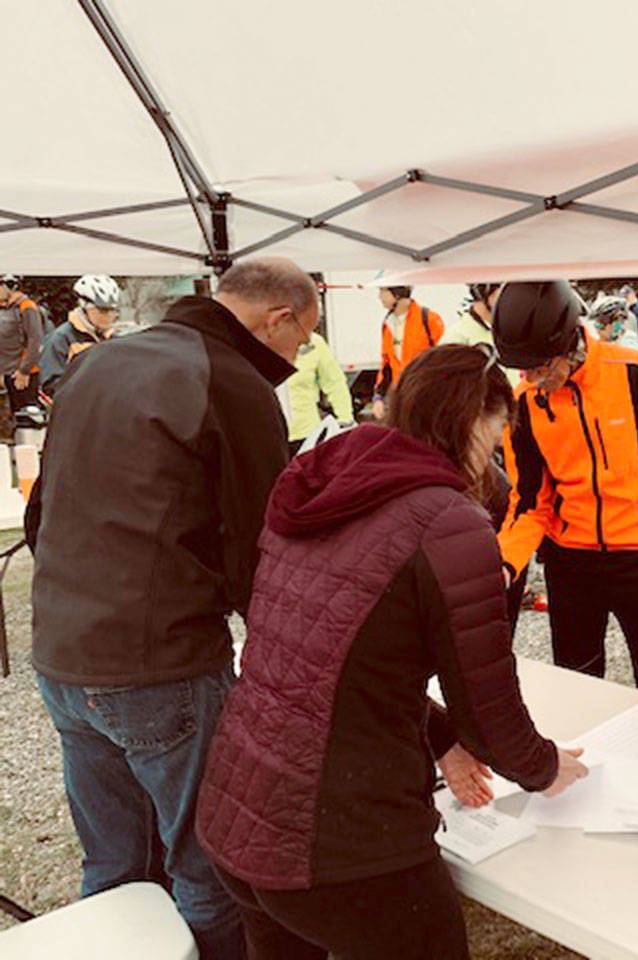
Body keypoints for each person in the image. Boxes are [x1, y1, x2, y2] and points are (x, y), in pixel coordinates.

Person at [196, 344, 587, 960]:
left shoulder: (329, 485)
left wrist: (441, 739)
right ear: (475, 419)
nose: (496, 450)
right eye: (497, 430)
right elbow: (487, 708)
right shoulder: (449, 521)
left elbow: (333, 667)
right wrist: (543, 767)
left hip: (239, 810)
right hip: (338, 840)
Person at [27, 257, 319, 960]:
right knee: (207, 869)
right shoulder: (233, 384)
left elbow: (39, 518)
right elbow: (260, 554)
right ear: (278, 318)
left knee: (114, 868)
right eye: (303, 339)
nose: (299, 354)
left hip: (62, 655)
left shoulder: (97, 363)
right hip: (160, 664)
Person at [494, 280, 638, 693]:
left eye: (540, 367)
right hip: (570, 564)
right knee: (576, 684)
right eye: (522, 370)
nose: (531, 378)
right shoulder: (525, 401)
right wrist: (503, 566)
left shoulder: (637, 372)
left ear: (568, 344)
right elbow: (528, 504)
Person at [37, 274, 121, 399]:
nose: (108, 316)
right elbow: (51, 384)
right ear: (84, 307)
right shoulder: (61, 339)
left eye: (113, 311)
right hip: (77, 406)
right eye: (102, 310)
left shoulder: (115, 339)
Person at [371, 283, 444, 418]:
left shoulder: (429, 318)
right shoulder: (388, 323)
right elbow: (387, 365)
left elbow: (444, 359)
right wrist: (378, 397)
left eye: (383, 291)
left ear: (397, 293)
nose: (379, 297)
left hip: (427, 396)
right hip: (402, 397)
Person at [281, 330, 354, 454]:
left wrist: (345, 419)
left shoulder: (314, 343)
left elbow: (334, 383)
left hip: (307, 435)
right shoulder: (259, 340)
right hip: (270, 436)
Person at [0, 273, 45, 434]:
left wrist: (25, 370)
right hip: (7, 372)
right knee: (14, 419)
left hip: (23, 374)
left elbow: (35, 340)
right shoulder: (4, 308)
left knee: (27, 419)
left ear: (9, 286)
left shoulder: (26, 307)